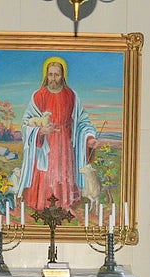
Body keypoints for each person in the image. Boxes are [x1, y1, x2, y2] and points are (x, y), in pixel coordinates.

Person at [16, 56, 100, 211]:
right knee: (46, 173)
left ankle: (65, 204)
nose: (53, 78)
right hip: (45, 144)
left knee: (63, 172)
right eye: (50, 74)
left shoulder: (71, 95)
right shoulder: (38, 95)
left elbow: (82, 121)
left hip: (65, 144)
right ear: (46, 75)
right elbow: (26, 122)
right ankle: (43, 204)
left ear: (63, 76)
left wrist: (89, 138)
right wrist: (40, 131)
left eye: (57, 74)